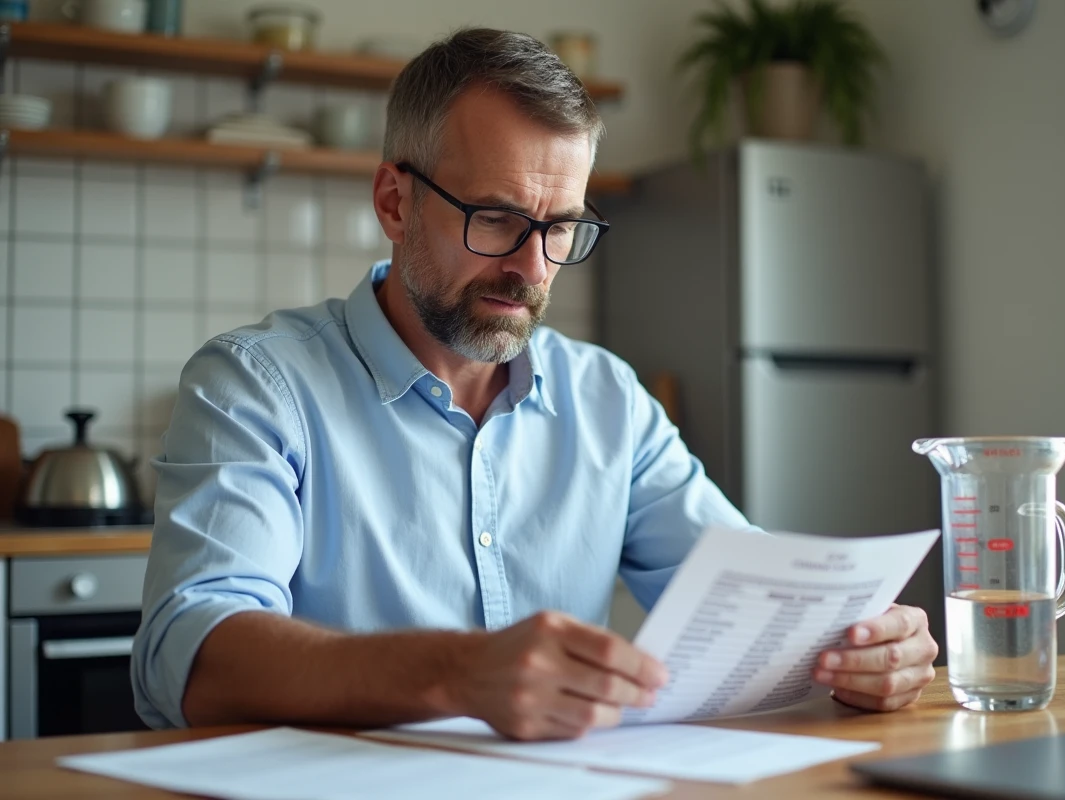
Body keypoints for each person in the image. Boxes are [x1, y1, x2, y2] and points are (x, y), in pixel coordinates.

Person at [131, 28, 938, 741]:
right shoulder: (255, 385)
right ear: (393, 201)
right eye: (496, 217)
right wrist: (455, 672)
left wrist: (863, 644)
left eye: (562, 228)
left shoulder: (608, 400)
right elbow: (195, 655)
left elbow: (750, 593)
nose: (531, 266)